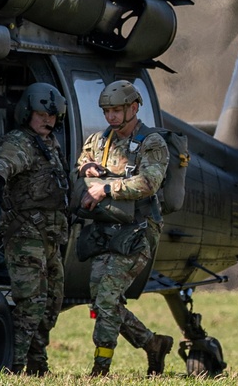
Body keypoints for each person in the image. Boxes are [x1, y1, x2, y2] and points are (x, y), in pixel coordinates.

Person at [77, 80, 174, 377]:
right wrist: (86, 169)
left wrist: (106, 187)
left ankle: (100, 369)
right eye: (107, 111)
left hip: (138, 230)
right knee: (101, 298)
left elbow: (148, 182)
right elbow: (82, 160)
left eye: (117, 111)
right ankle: (152, 343)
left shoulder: (152, 143)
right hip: (107, 227)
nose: (111, 117)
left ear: (134, 108)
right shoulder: (98, 140)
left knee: (106, 298)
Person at [0, 82, 70, 376]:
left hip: (50, 237)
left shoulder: (50, 145)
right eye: (41, 114)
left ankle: (37, 362)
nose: (48, 120)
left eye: (53, 116)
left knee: (52, 302)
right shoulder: (20, 141)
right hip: (25, 235)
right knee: (30, 303)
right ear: (27, 113)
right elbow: (6, 161)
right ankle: (14, 364)